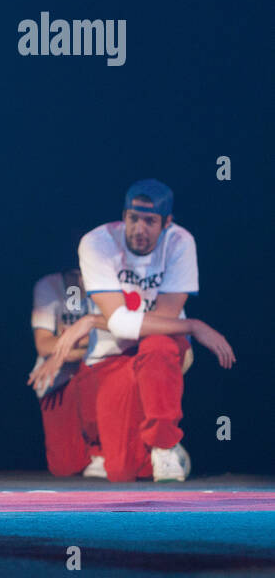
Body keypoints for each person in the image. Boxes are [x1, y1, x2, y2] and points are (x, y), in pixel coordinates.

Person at [32, 179, 235, 481]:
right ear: (123, 215)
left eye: (150, 221)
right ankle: (149, 454)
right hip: (112, 354)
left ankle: (165, 445)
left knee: (157, 344)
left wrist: (94, 321)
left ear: (167, 222)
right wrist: (194, 324)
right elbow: (120, 323)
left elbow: (160, 323)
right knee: (120, 470)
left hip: (161, 348)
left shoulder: (180, 242)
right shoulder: (98, 243)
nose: (139, 229)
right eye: (133, 218)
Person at [29, 268, 104, 477]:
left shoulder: (106, 282)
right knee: (65, 466)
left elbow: (115, 334)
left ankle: (102, 450)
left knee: (95, 370)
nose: (79, 279)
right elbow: (44, 345)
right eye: (74, 275)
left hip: (93, 368)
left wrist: (62, 352)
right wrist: (78, 345)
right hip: (58, 378)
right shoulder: (49, 286)